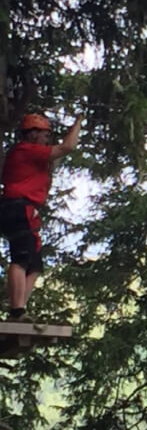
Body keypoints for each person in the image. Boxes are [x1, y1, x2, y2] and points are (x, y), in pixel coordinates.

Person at [0, 112, 81, 322]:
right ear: (32, 134)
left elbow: (55, 157)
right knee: (21, 258)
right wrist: (78, 123)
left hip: (22, 209)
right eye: (45, 134)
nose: (47, 139)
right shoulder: (26, 150)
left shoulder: (29, 154)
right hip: (18, 208)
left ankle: (20, 310)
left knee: (35, 264)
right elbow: (67, 147)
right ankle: (17, 311)